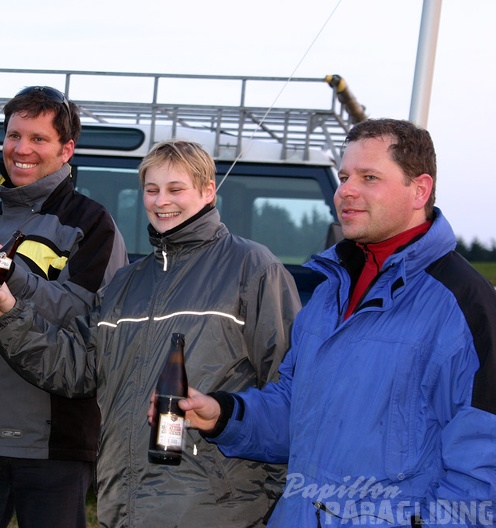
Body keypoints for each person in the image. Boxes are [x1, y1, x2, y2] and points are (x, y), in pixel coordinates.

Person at [177, 119, 496, 526]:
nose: (345, 190)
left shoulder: (464, 305)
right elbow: (295, 410)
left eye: (369, 177)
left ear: (420, 189)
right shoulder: (331, 292)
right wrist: (222, 414)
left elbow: (482, 475)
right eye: (344, 176)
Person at [0, 139, 302, 527]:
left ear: (207, 191)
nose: (160, 201)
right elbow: (76, 369)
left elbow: (290, 392)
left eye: (175, 189)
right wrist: (9, 311)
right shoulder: (125, 283)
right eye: (151, 190)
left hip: (218, 508)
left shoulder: (253, 267)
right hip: (123, 503)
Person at [0, 86, 128, 528]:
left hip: (51, 447)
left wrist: (7, 271)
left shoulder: (92, 223)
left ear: (66, 150)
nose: (22, 149)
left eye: (38, 139)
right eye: (13, 135)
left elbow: (90, 317)